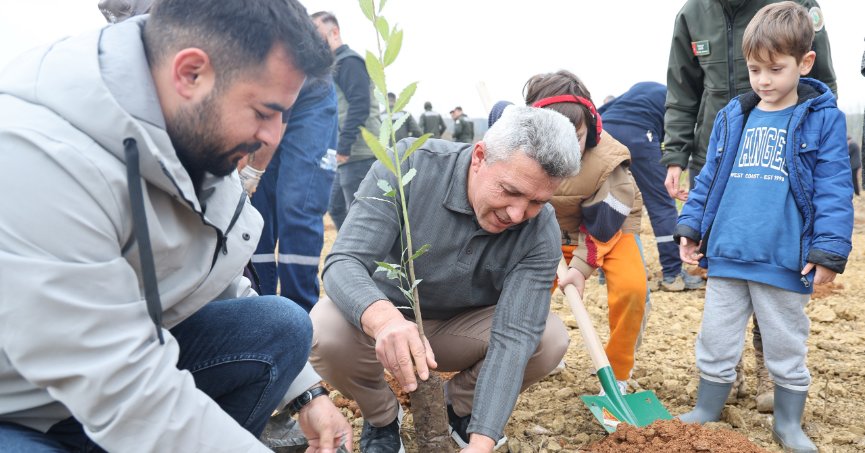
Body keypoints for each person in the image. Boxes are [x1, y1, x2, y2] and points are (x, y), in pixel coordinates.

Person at [0, 0, 353, 451]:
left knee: (280, 326)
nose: (273, 138)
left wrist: (308, 394)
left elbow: (211, 274)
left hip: (114, 371)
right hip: (23, 407)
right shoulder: (41, 155)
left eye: (284, 115)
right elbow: (124, 391)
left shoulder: (194, 128)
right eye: (265, 112)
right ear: (190, 73)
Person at [309, 106, 581, 453]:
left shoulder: (540, 230)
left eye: (536, 202)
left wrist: (482, 443)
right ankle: (381, 416)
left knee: (548, 338)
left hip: (461, 331)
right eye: (509, 190)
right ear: (480, 156)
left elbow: (516, 335)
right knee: (324, 328)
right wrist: (384, 318)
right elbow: (343, 261)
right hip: (386, 322)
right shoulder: (409, 165)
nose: (517, 214)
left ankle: (458, 407)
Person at [675, 4, 853, 452]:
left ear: (804, 63)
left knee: (784, 342)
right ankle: (707, 408)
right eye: (755, 69)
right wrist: (691, 227)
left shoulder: (822, 118)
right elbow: (710, 177)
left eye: (775, 69)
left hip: (782, 258)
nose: (763, 80)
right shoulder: (734, 116)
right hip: (729, 253)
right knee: (715, 337)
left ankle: (788, 423)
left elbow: (834, 186)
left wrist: (827, 252)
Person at [519, 70, 651, 397]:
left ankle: (617, 370)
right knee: (524, 292)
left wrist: (579, 268)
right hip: (551, 230)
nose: (564, 148)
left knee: (632, 289)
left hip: (609, 230)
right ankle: (543, 353)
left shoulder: (608, 162)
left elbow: (604, 225)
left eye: (574, 137)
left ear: (590, 129)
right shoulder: (522, 153)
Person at [599, 82, 705, 292]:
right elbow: (678, 135)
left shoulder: (640, 91)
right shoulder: (678, 100)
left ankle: (606, 271)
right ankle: (672, 274)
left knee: (610, 202)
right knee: (662, 205)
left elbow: (600, 111)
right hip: (639, 133)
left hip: (605, 132)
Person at [251, 77, 339, 312]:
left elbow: (275, 129)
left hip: (309, 92)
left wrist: (254, 167)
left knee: (297, 202)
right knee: (254, 209)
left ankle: (300, 311)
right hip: (259, 93)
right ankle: (257, 307)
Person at [312, 11, 382, 232]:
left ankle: (365, 261)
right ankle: (351, 258)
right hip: (344, 154)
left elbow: (359, 106)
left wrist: (344, 146)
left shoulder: (349, 62)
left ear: (334, 32)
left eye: (316, 31)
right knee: (335, 207)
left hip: (358, 151)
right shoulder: (333, 65)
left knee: (360, 216)